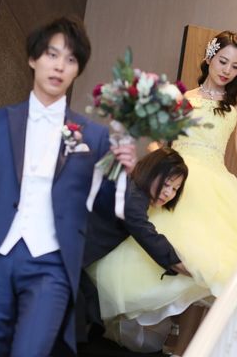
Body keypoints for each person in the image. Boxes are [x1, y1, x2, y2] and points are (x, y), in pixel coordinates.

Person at [0, 16, 137, 356]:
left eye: (70, 59)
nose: (59, 66)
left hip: (51, 268)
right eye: (52, 54)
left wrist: (122, 172)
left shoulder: (94, 137)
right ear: (33, 59)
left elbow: (107, 208)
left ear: (77, 70)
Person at [88, 30, 237, 353]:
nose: (227, 70)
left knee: (206, 269)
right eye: (223, 61)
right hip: (177, 183)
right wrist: (163, 172)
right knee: (162, 258)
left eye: (235, 66)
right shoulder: (180, 99)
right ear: (209, 57)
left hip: (214, 188)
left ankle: (187, 348)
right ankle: (164, 342)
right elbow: (159, 145)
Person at [78, 146, 190, 349]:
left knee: (91, 309)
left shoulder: (132, 190)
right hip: (63, 257)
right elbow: (149, 237)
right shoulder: (133, 198)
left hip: (75, 259)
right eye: (166, 184)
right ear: (150, 173)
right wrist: (193, 271)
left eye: (175, 189)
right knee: (86, 312)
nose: (168, 193)